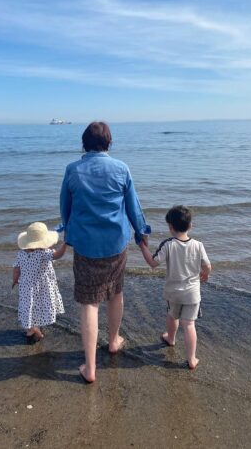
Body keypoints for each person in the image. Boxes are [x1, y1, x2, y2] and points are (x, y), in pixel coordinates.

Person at [59, 121, 150, 383]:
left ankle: (90, 368)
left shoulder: (73, 170)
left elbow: (65, 206)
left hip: (86, 245)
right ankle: (113, 341)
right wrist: (141, 235)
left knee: (89, 303)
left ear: (84, 143)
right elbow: (133, 207)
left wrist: (66, 233)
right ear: (108, 143)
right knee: (115, 293)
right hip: (115, 243)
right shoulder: (121, 168)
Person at [139, 205, 211, 369]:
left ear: (170, 227)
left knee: (172, 315)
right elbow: (207, 265)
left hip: (173, 293)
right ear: (190, 226)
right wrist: (205, 274)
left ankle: (170, 338)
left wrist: (143, 246)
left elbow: (153, 263)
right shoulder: (198, 245)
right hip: (192, 294)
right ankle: (191, 359)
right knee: (189, 324)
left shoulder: (168, 245)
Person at [12, 221, 66, 344]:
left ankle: (32, 329)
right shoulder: (44, 253)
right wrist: (65, 245)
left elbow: (16, 269)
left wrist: (15, 280)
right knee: (40, 306)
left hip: (26, 287)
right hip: (42, 287)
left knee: (29, 306)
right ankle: (35, 331)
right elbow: (58, 255)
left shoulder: (20, 254)